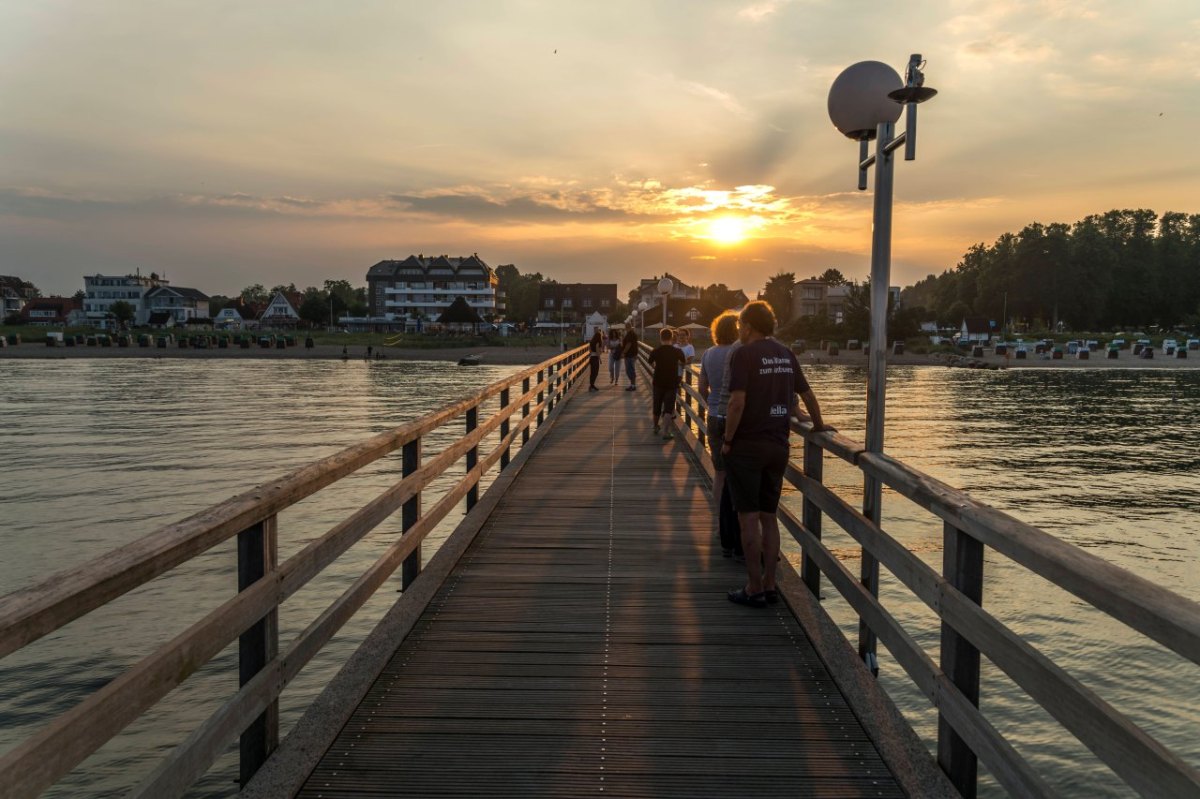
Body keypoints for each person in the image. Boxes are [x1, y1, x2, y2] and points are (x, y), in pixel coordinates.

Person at [722, 301, 831, 608]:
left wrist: (728, 441)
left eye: (741, 324)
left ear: (748, 325)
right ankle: (771, 584)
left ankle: (754, 587)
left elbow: (737, 403)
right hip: (778, 446)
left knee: (748, 518)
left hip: (747, 446)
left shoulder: (744, 355)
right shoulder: (785, 354)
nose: (739, 330)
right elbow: (807, 394)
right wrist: (820, 426)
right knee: (770, 518)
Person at [698, 312, 741, 559]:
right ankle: (740, 527)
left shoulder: (708, 354)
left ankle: (720, 525)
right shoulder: (740, 352)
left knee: (720, 473)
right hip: (737, 419)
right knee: (740, 474)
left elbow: (702, 387)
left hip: (715, 416)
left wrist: (711, 404)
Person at [648, 328, 686, 439]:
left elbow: (650, 362)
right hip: (671, 383)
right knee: (668, 408)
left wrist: (656, 366)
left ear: (661, 338)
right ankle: (666, 432)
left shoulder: (656, 351)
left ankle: (655, 426)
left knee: (657, 405)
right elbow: (683, 362)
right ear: (671, 338)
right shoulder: (677, 351)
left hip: (658, 382)